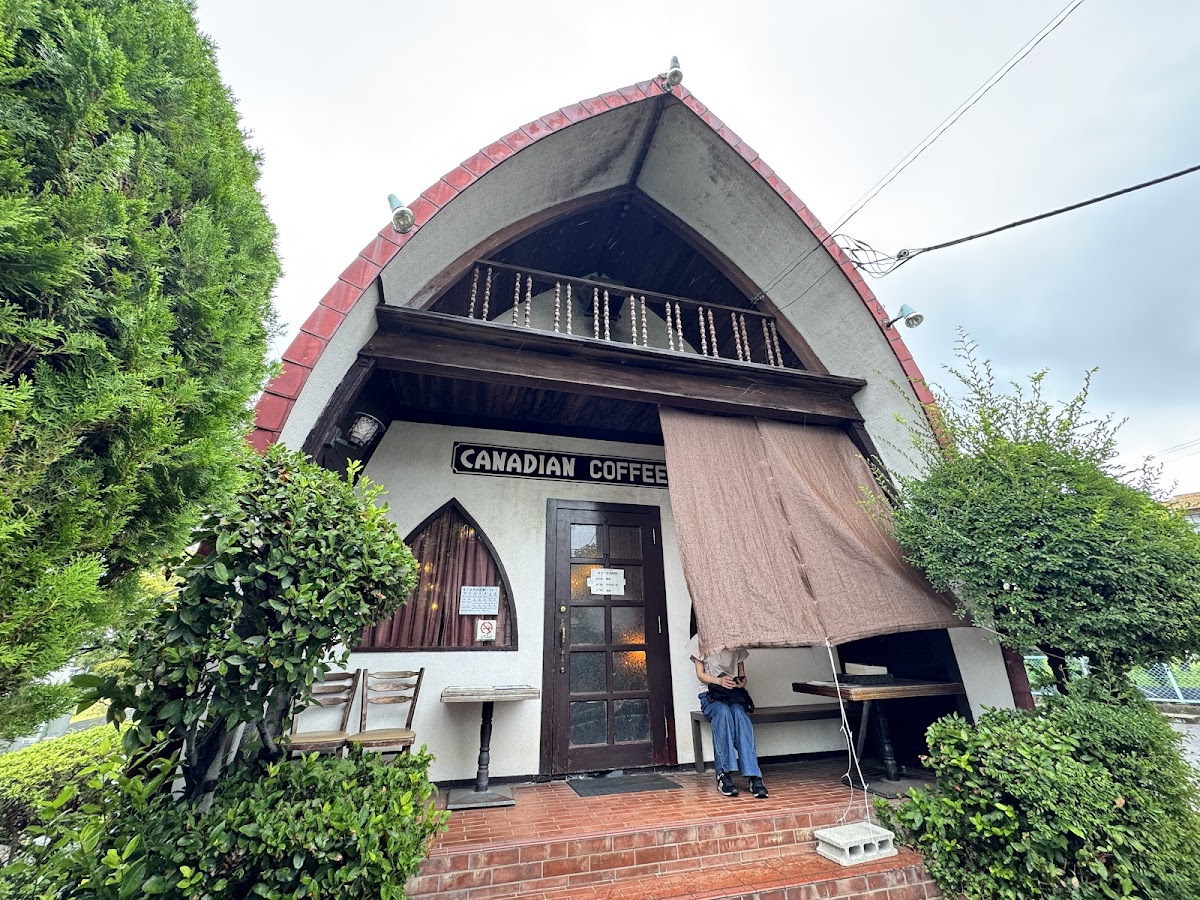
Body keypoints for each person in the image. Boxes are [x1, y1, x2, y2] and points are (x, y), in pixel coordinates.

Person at [687, 633, 768, 799]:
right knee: (723, 713)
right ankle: (723, 774)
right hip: (710, 695)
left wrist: (740, 681)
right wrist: (719, 681)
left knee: (740, 716)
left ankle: (754, 776)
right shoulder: (699, 639)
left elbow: (742, 672)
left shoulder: (735, 639)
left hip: (732, 694)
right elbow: (700, 674)